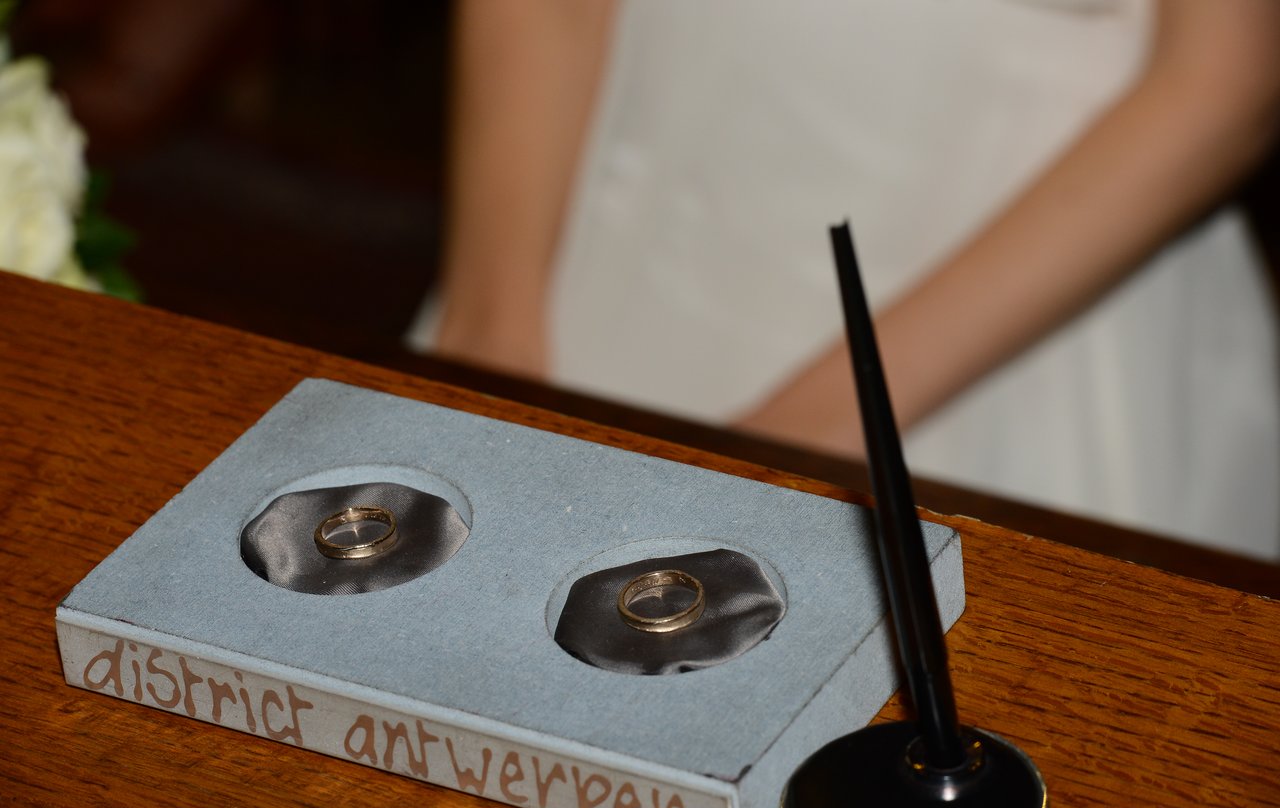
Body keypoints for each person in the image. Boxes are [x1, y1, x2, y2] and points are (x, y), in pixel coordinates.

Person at [409, 0, 1280, 560]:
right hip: (608, 246)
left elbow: (1225, 77)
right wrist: (493, 329)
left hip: (996, 334)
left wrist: (812, 435)